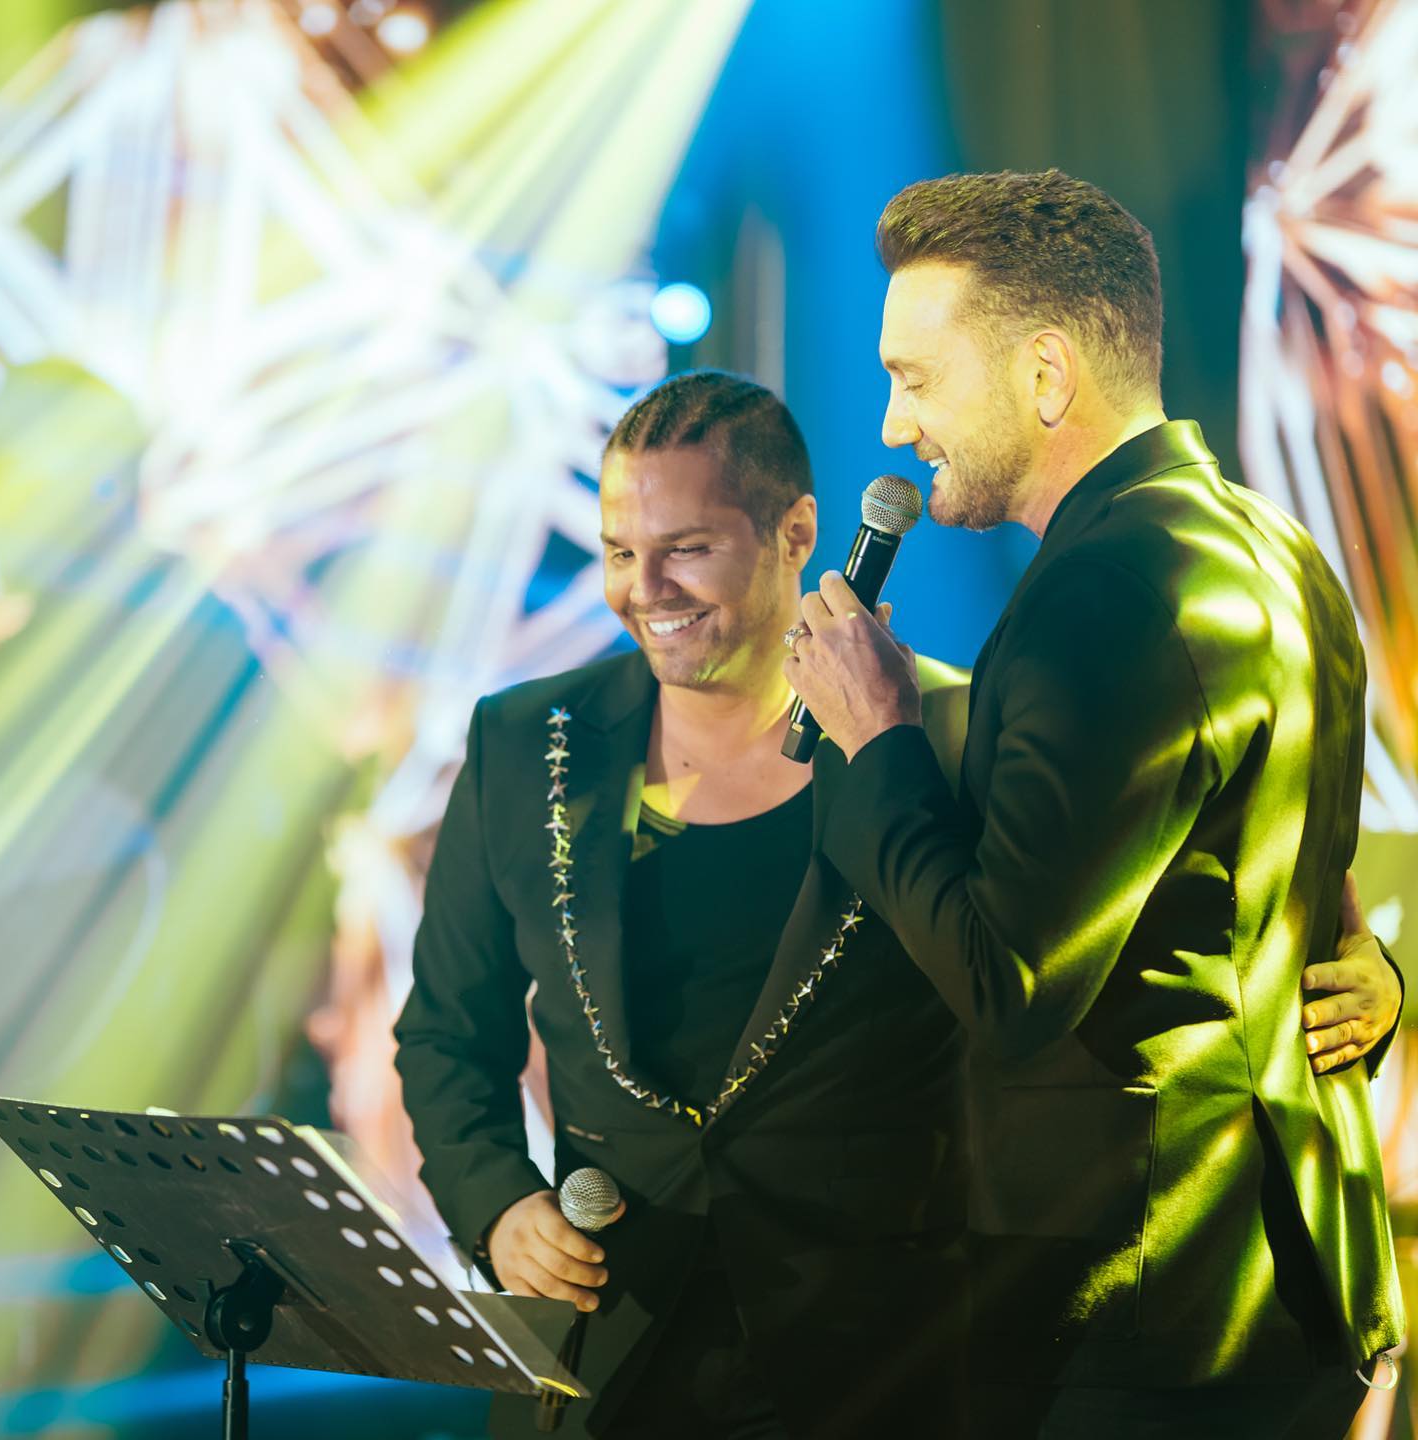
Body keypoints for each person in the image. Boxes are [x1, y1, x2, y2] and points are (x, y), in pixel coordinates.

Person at [395, 364, 1398, 1439]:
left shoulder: (946, 735)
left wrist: (1367, 981)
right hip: (607, 1351)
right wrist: (499, 1207)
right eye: (619, 553)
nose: (646, 589)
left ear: (796, 535)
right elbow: (448, 1036)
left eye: (686, 549)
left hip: (878, 1363)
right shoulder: (522, 742)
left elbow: (1106, 944)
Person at [784, 170, 1406, 1437]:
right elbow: (1265, 901)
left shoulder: (1105, 591)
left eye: (916, 378)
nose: (895, 427)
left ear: (1047, 373)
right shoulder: (1279, 551)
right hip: (1285, 1282)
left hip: (1150, 1304)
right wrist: (1377, 976)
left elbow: (1010, 983)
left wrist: (878, 741)